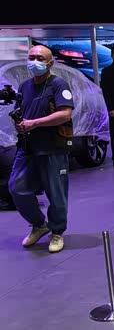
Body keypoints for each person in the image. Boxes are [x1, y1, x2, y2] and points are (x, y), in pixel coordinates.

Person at [9, 45, 73, 253]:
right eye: (31, 57)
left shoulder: (58, 85)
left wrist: (35, 123)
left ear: (50, 63)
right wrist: (20, 124)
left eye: (40, 58)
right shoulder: (24, 86)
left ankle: (57, 231)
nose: (34, 61)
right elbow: (20, 111)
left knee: (56, 193)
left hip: (53, 147)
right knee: (16, 188)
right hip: (28, 146)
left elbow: (65, 114)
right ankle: (39, 224)